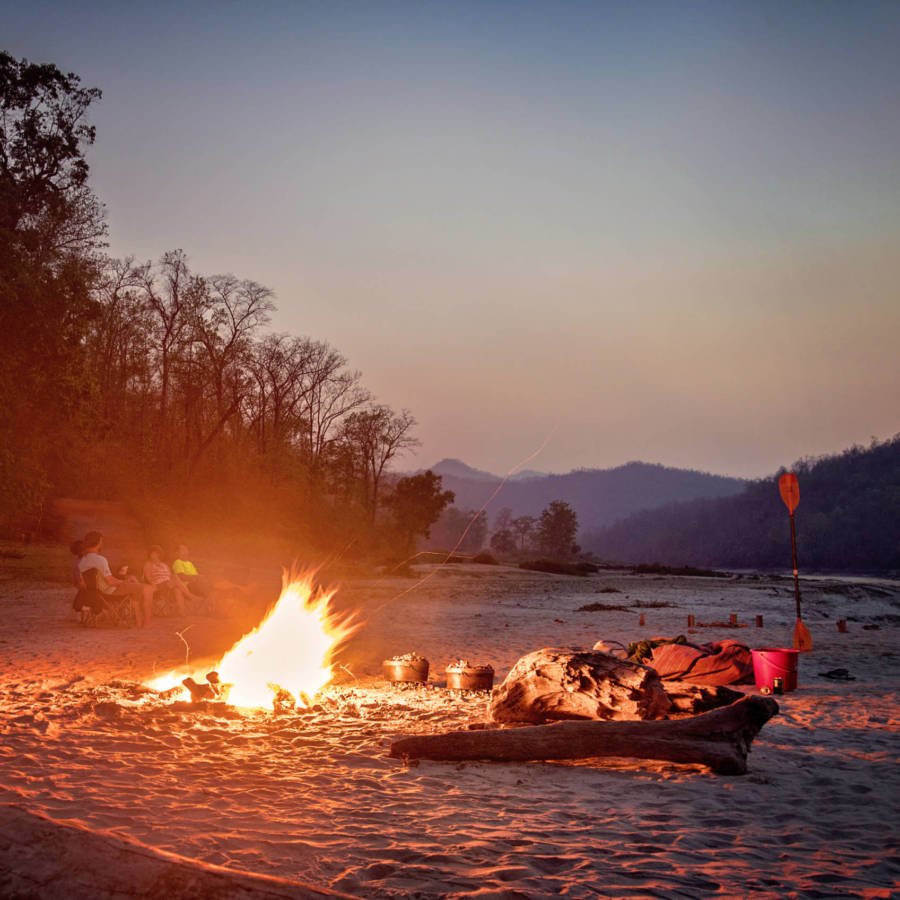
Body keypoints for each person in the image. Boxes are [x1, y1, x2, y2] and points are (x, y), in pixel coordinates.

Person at [79, 531, 154, 626]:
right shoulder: (100, 560)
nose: (102, 543)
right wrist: (123, 582)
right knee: (146, 588)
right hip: (110, 591)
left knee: (136, 586)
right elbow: (110, 582)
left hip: (96, 592)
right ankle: (145, 622)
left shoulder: (82, 561)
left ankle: (139, 620)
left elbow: (82, 583)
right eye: (102, 541)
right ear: (98, 542)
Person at [143, 544, 192, 615]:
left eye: (156, 553)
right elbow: (147, 577)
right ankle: (190, 596)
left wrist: (171, 582)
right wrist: (152, 584)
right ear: (149, 555)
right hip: (158, 585)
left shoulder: (164, 565)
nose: (154, 555)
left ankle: (182, 612)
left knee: (177, 589)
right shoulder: (148, 564)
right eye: (152, 554)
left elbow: (169, 575)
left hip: (167, 584)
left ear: (159, 554)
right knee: (175, 577)